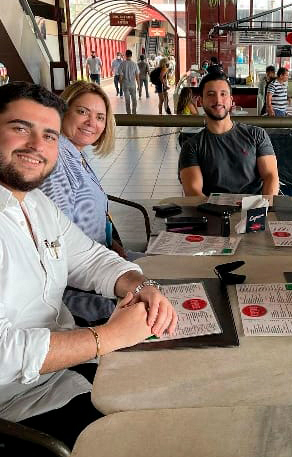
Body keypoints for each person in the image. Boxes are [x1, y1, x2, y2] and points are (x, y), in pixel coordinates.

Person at [0, 82, 177, 455]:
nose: (36, 145)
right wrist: (107, 337)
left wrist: (140, 285)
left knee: (171, 392)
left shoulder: (35, 204)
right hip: (17, 409)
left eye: (49, 135)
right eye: (20, 128)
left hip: (64, 374)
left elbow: (90, 258)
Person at [39, 80, 125, 322]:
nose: (91, 122)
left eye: (100, 117)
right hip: (77, 286)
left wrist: (113, 247)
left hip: (100, 260)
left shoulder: (75, 154)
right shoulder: (58, 162)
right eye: (82, 112)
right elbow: (58, 242)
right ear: (63, 111)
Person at [178, 72, 279, 196]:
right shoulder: (191, 146)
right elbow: (194, 192)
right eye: (211, 94)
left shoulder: (257, 135)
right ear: (201, 101)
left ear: (231, 100)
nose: (218, 100)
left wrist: (265, 205)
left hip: (254, 206)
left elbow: (271, 176)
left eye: (223, 94)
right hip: (211, 207)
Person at [119, 49, 140, 115]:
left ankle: (128, 113)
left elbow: (121, 77)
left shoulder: (122, 64)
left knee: (127, 100)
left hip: (125, 84)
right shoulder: (135, 64)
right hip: (132, 84)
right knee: (134, 99)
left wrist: (121, 85)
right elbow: (137, 76)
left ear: (126, 55)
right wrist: (139, 85)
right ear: (131, 55)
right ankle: (134, 112)